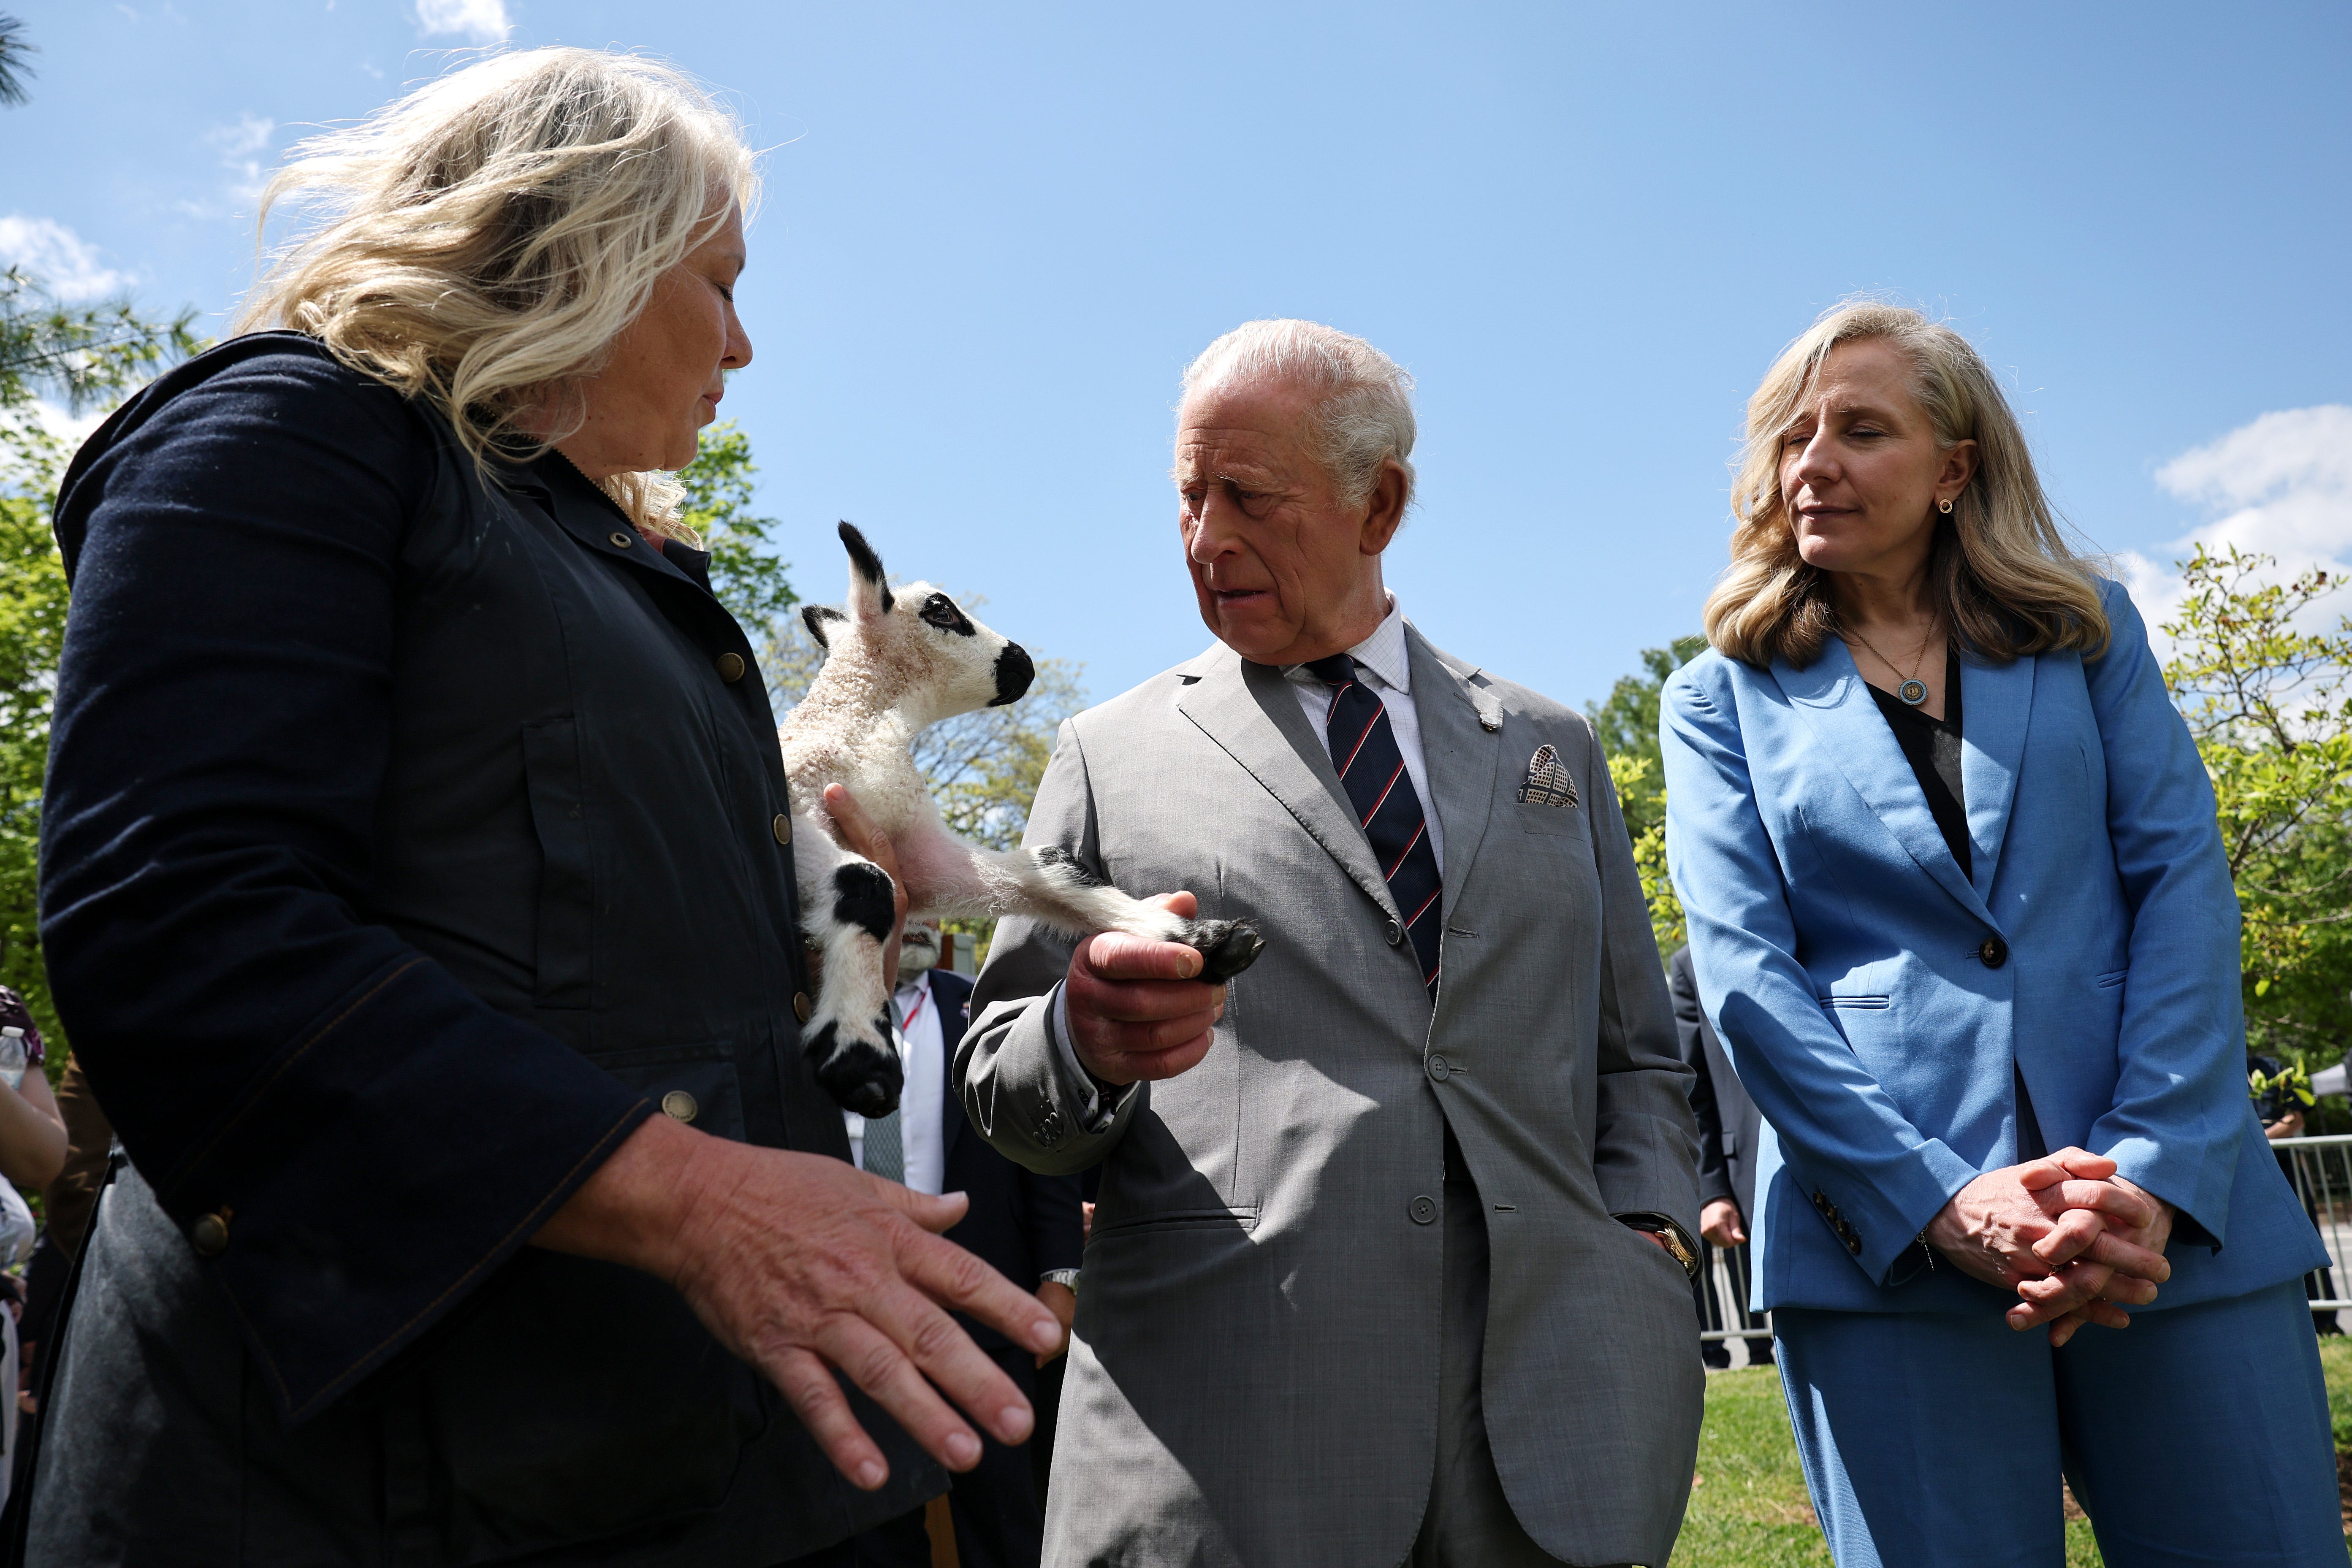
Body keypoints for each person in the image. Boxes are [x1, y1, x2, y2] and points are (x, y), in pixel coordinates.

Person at [26, 49, 1061, 1566]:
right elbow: (180, 925)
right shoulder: (287, 433)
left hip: (677, 1467)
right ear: (588, 250)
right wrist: (693, 1196)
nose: (748, 344)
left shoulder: (635, 576)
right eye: (720, 279)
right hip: (338, 1488)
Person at [959, 320, 1705, 1568]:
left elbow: (1637, 1054)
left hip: (1541, 1432)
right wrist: (1081, 1037)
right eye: (1188, 497)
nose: (1206, 538)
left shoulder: (1552, 747)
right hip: (1229, 1435)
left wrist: (1649, 1235)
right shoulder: (1103, 759)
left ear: (1382, 503)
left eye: (1247, 495)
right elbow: (1004, 1086)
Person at [1661, 301, 2341, 1565]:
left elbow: (2184, 883)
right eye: (1793, 435)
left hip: (2168, 1226)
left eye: (1862, 428)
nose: (1814, 461)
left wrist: (2146, 1174)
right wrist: (1935, 1199)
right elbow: (1748, 979)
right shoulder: (1720, 696)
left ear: (1955, 468)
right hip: (1892, 1248)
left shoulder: (2089, 631)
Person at [853, 926, 1083, 1568]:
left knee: (1008, 1526)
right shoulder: (806, 1015)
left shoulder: (983, 1009)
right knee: (876, 1537)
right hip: (848, 1319)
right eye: (900, 892)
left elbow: (1044, 1144)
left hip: (989, 1323)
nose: (920, 914)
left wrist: (1060, 1278)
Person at [1667, 945, 1773, 1368]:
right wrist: (1711, 1190)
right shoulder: (1692, 963)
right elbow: (1691, 1088)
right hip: (1745, 1173)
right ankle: (1752, 1353)